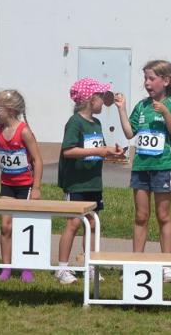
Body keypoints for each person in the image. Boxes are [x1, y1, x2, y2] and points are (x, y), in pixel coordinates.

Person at [116, 60, 171, 283]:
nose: (147, 83)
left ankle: (167, 266)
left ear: (165, 81)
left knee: (163, 216)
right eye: (145, 78)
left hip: (163, 166)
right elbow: (130, 133)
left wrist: (165, 113)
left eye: (151, 78)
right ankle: (136, 263)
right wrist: (121, 109)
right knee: (141, 216)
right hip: (141, 167)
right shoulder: (142, 106)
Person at [55, 78, 124, 285]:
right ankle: (62, 268)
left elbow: (97, 150)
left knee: (92, 224)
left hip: (94, 182)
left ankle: (90, 265)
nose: (104, 101)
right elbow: (68, 151)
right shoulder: (75, 122)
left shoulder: (97, 123)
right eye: (101, 97)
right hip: (76, 183)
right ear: (90, 99)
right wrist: (99, 150)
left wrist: (111, 153)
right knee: (74, 223)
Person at [0, 90, 44, 283]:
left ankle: (26, 267)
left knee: (23, 226)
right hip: (7, 184)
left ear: (10, 110)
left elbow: (37, 160)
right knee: (6, 226)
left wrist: (36, 187)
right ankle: (6, 267)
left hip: (25, 186)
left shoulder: (24, 131)